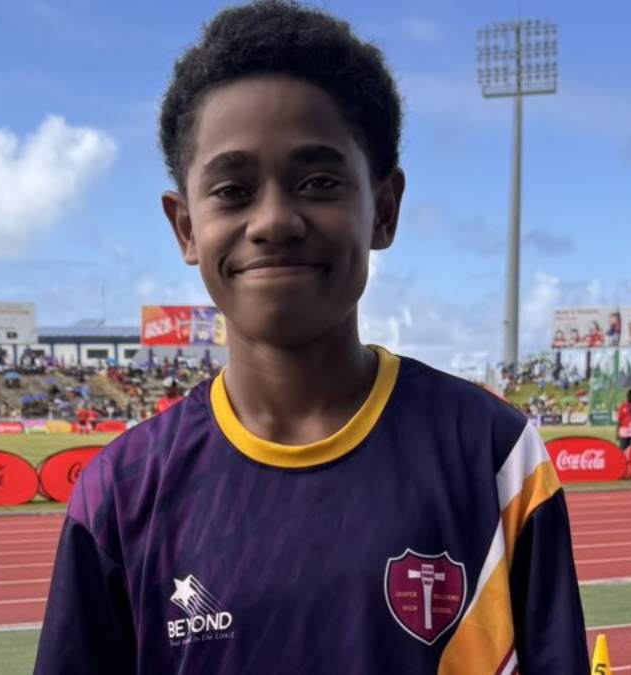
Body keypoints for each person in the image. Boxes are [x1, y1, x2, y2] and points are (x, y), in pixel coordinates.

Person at [34, 3, 588, 673]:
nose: (273, 220)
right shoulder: (122, 493)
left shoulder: (494, 457)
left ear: (383, 209)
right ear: (185, 227)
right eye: (232, 189)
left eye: (319, 182)